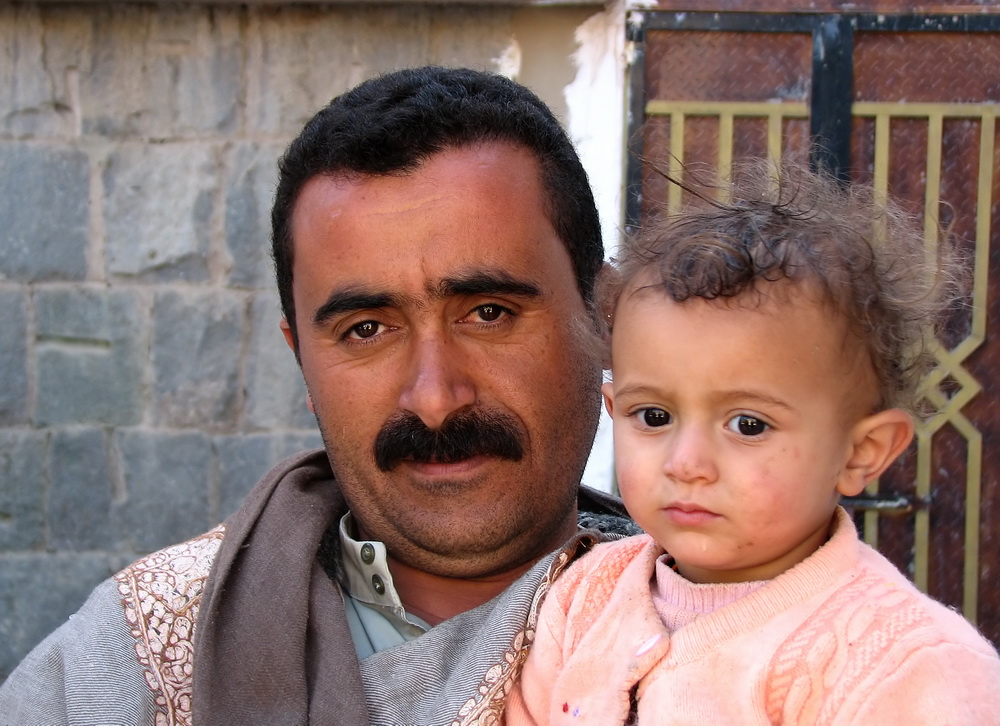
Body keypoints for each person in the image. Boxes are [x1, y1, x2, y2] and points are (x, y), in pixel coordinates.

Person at [0, 66, 637, 726]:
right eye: (367, 329)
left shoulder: (725, 618)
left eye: (488, 313)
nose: (435, 399)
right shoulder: (132, 661)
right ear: (301, 359)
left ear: (603, 317)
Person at [504, 162, 1000, 725]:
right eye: (655, 415)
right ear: (614, 410)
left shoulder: (908, 665)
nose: (686, 463)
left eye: (747, 425)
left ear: (861, 452)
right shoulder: (580, 602)